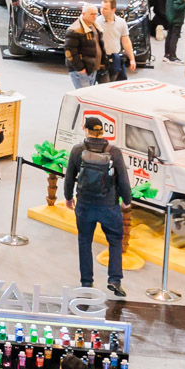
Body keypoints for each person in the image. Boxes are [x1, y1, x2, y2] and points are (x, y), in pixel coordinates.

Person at [61, 115, 132, 297]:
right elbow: (123, 179)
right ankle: (114, 280)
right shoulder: (113, 151)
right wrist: (127, 200)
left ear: (86, 129)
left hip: (85, 204)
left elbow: (69, 178)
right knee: (115, 241)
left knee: (85, 241)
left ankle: (86, 281)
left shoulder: (78, 150)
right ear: (102, 131)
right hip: (108, 205)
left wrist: (68, 197)